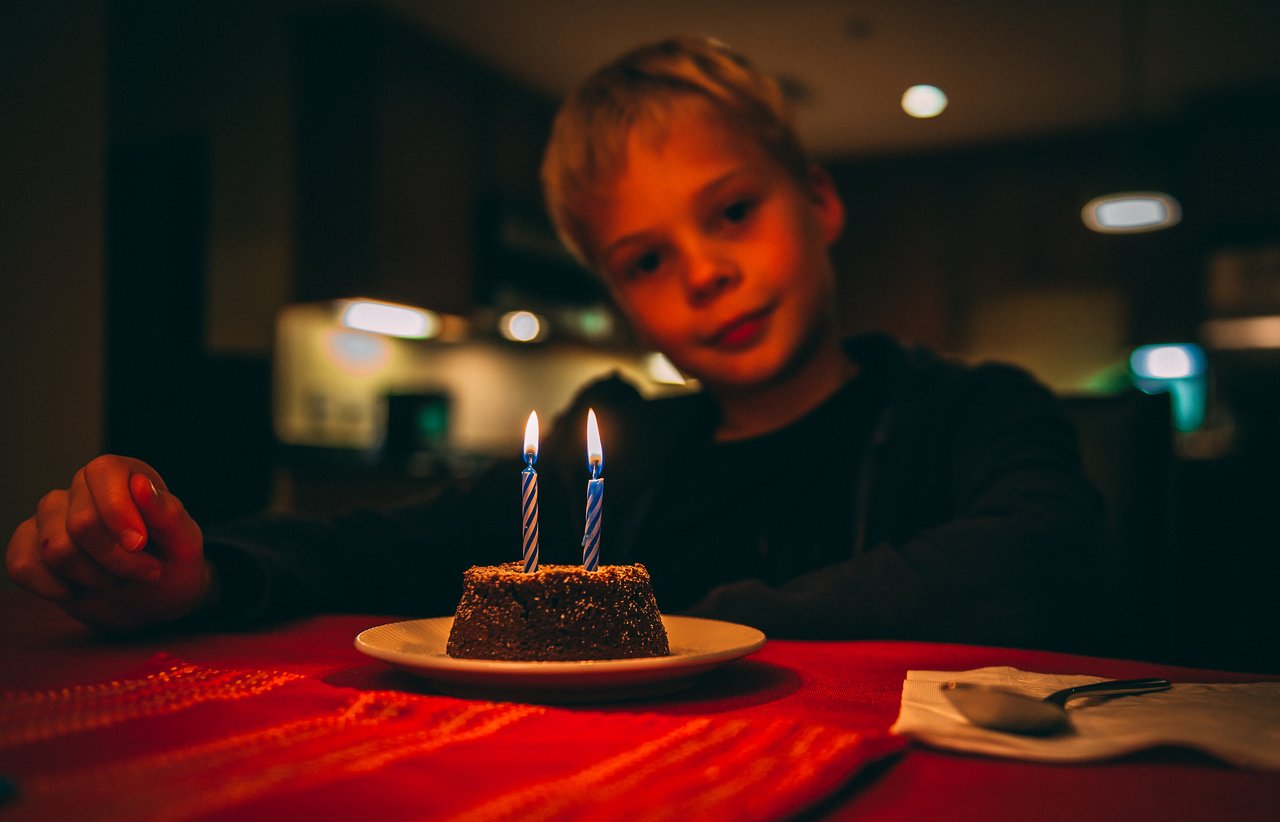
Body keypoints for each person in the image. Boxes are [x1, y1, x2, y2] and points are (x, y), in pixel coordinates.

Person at [5, 37, 1103, 647]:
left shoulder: (969, 414)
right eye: (644, 260)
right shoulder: (608, 438)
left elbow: (1036, 563)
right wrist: (200, 578)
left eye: (730, 213)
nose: (703, 272)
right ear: (622, 304)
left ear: (815, 202)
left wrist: (661, 625)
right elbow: (384, 550)